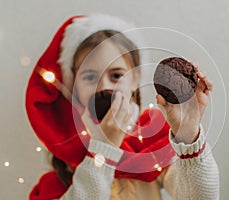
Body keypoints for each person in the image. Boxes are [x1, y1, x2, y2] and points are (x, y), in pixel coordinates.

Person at [26, 14, 219, 200]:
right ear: (74, 86)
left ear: (135, 78)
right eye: (90, 77)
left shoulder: (152, 141)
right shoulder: (67, 150)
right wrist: (103, 147)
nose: (104, 87)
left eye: (116, 75)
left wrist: (188, 134)